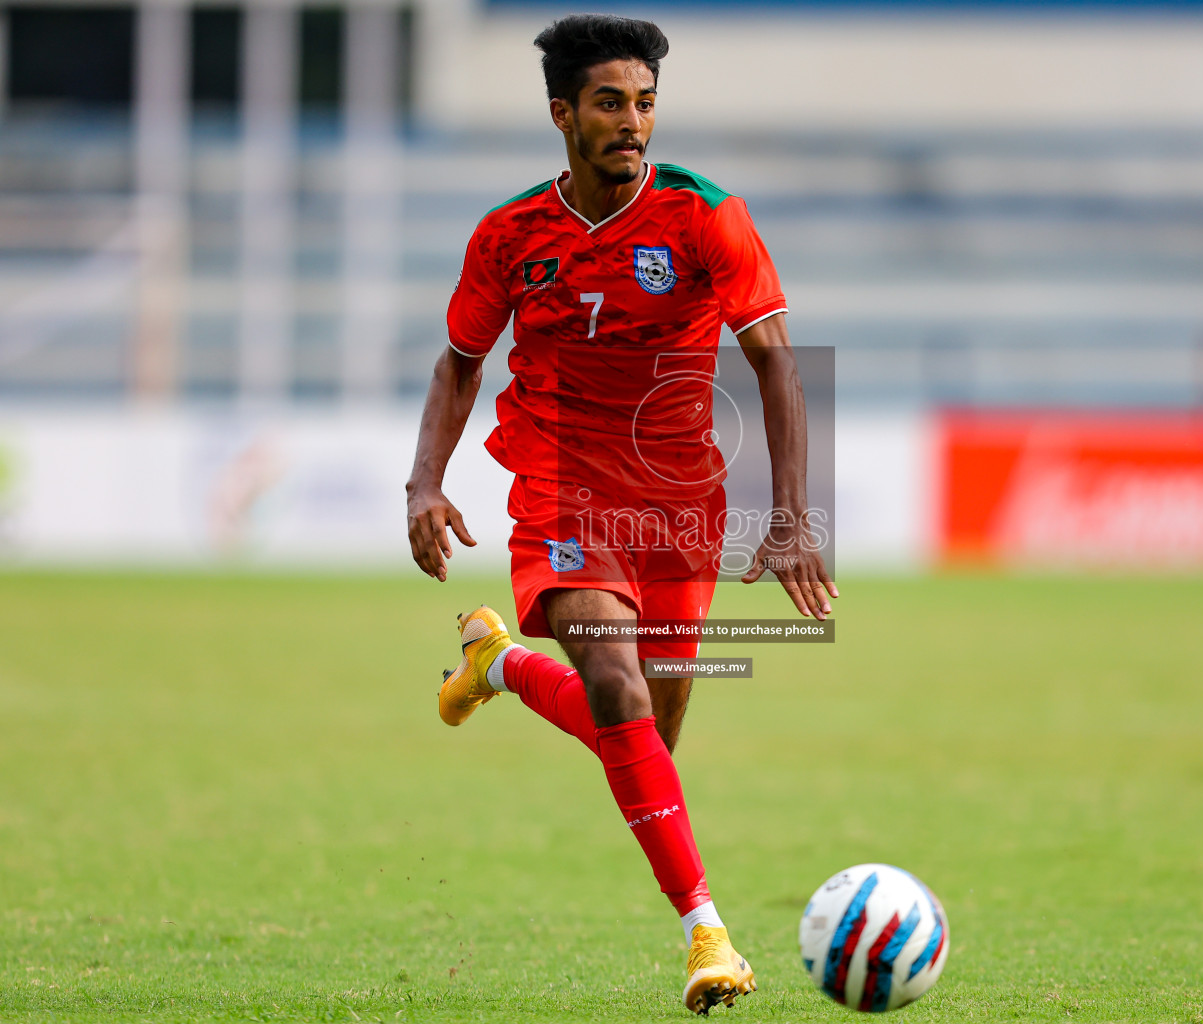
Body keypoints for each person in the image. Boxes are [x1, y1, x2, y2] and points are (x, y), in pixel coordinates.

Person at [404, 13, 836, 1014]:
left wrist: (792, 516)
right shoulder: (511, 235)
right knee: (616, 682)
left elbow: (775, 361)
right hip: (562, 486)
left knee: (645, 731)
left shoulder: (704, 215)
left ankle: (501, 664)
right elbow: (459, 364)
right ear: (563, 114)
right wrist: (425, 484)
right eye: (609, 102)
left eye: (644, 102)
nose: (632, 121)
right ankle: (709, 935)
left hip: (679, 500)